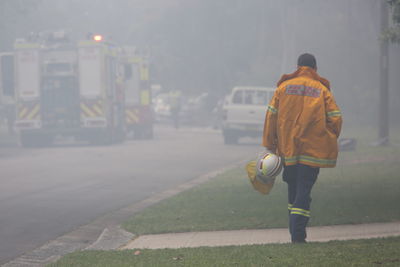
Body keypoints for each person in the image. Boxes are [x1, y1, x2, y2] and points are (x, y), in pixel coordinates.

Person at [262, 53, 342, 243]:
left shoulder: (283, 88)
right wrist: (326, 137)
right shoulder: (321, 90)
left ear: (298, 66)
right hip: (311, 153)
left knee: (293, 188)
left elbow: (271, 116)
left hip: (288, 150)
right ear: (314, 69)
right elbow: (336, 119)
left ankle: (295, 232)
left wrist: (270, 144)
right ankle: (298, 234)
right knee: (304, 190)